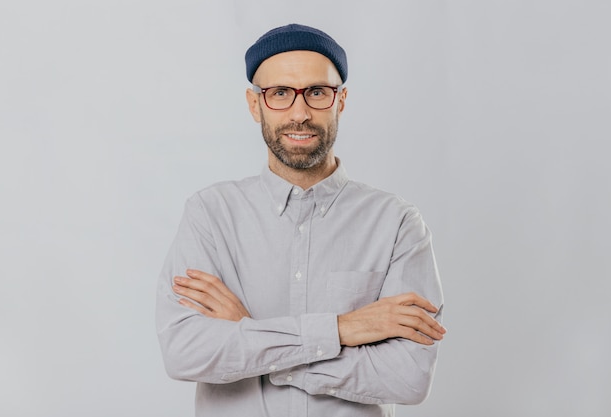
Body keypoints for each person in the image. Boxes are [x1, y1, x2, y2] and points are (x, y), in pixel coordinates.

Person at [156, 23, 446, 417]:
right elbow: (185, 354)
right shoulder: (210, 214)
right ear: (254, 104)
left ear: (340, 100)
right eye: (279, 93)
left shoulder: (396, 224)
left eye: (316, 92)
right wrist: (343, 329)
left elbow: (408, 378)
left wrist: (251, 333)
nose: (299, 113)